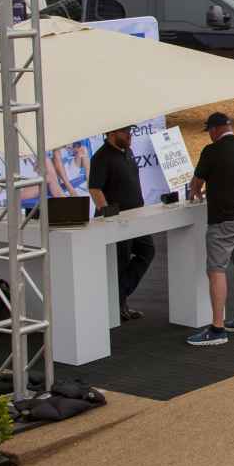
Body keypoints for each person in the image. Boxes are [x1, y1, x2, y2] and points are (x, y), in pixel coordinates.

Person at [187, 112, 234, 346]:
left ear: (216, 129)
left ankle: (218, 329)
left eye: (209, 130)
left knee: (216, 270)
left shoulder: (212, 151)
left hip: (224, 220)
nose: (209, 135)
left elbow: (196, 184)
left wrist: (196, 193)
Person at [88, 125, 153, 321]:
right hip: (117, 220)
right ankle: (117, 305)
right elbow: (95, 189)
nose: (130, 135)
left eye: (130, 131)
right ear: (111, 133)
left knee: (147, 251)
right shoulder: (101, 157)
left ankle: (117, 298)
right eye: (125, 132)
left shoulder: (128, 151)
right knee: (120, 262)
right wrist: (108, 216)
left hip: (136, 216)